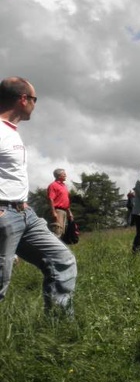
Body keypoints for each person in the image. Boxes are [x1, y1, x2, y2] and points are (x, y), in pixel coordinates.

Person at [0, 77, 77, 316]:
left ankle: (58, 332)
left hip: (25, 213)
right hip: (4, 214)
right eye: (35, 99)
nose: (35, 104)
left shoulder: (11, 132)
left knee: (62, 261)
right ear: (23, 99)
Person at [47, 168, 73, 238]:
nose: (66, 175)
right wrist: (53, 212)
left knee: (62, 232)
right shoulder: (53, 185)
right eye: (64, 174)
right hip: (57, 211)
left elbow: (65, 200)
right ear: (59, 176)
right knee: (57, 231)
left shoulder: (64, 186)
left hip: (64, 211)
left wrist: (69, 212)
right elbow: (51, 199)